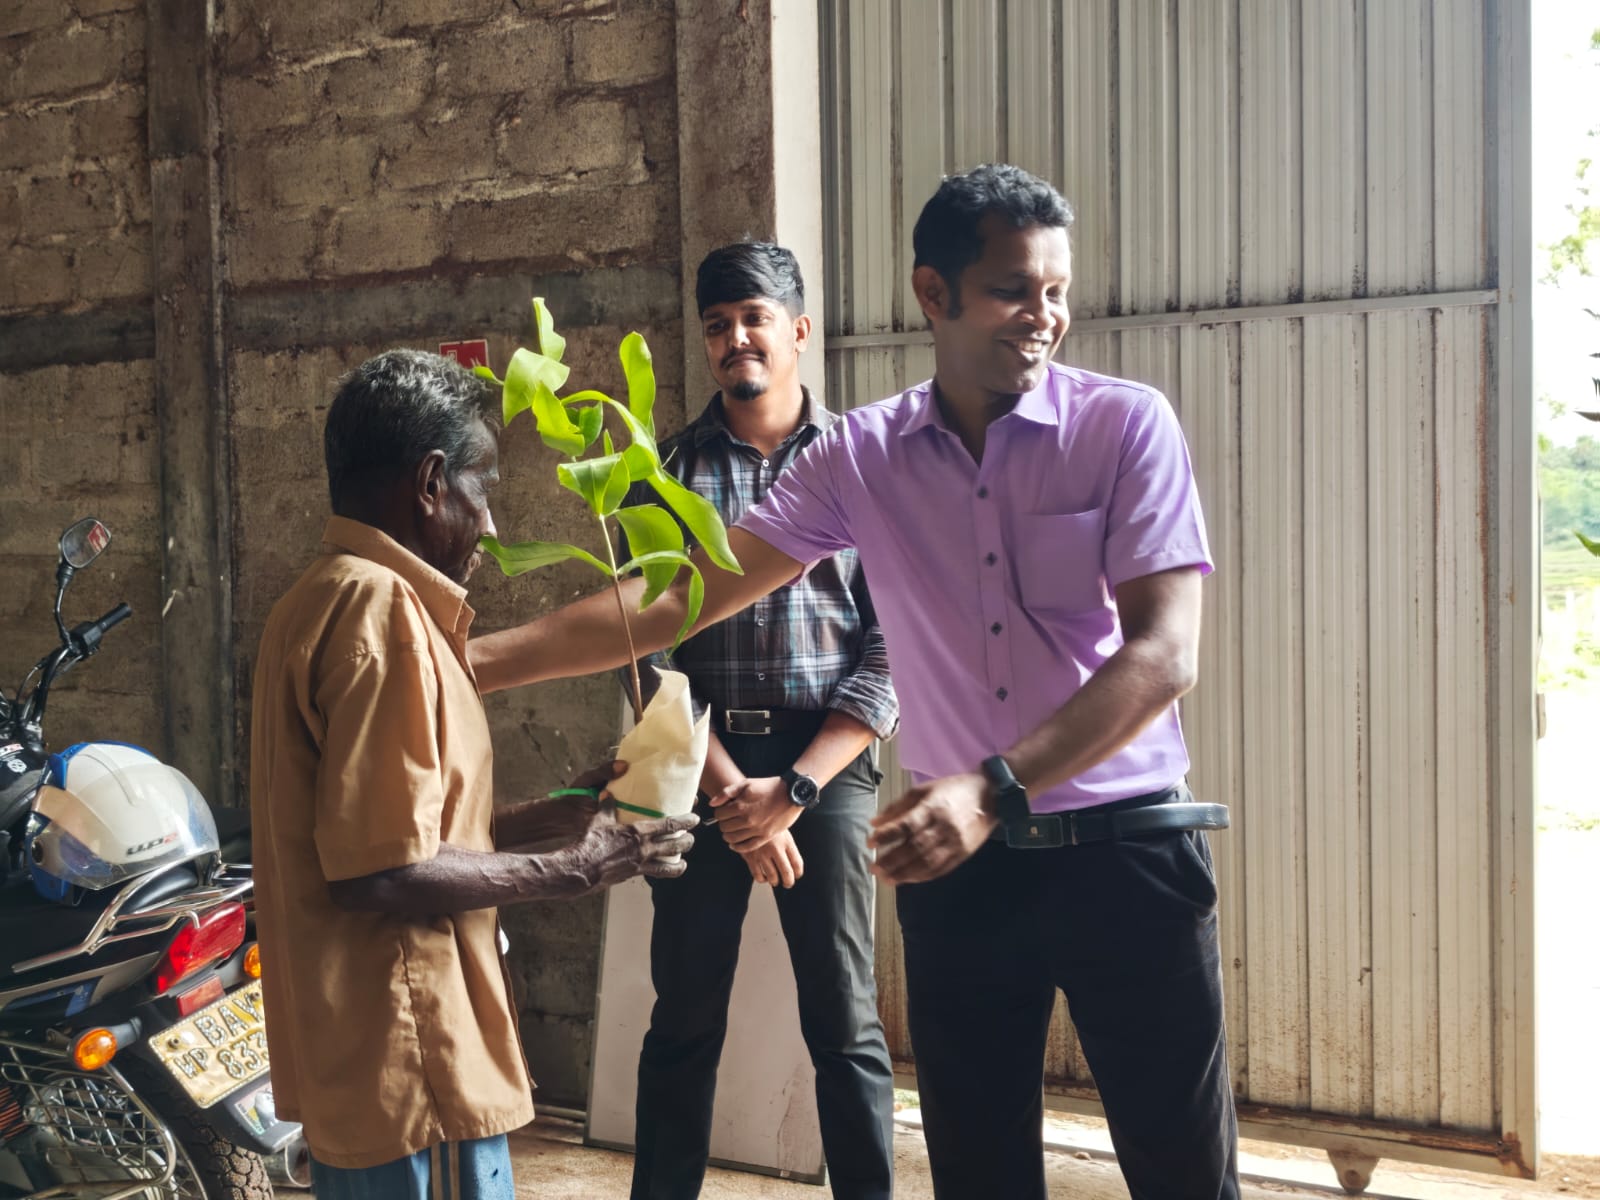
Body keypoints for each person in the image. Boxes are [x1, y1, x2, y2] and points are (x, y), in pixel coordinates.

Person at [472, 163, 1237, 1199]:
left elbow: (1162, 656)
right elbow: (672, 602)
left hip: (1128, 853)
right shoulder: (861, 459)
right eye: (1016, 289)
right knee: (977, 1173)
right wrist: (472, 660)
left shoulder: (1124, 426)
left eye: (1055, 290)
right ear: (935, 293)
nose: (1044, 316)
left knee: (1182, 1171)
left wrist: (984, 787)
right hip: (962, 879)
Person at [249, 349, 697, 1200]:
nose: (490, 525)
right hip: (418, 1058)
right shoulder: (383, 611)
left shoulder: (318, 597)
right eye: (481, 488)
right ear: (428, 482)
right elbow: (378, 873)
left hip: (374, 1063)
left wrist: (564, 810)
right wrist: (573, 870)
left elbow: (401, 830)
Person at [621, 243, 897, 1200]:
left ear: (798, 332)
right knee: (685, 1016)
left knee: (847, 1023)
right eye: (716, 324)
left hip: (825, 767)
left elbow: (894, 649)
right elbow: (639, 653)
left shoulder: (866, 466)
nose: (736, 337)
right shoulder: (661, 474)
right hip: (703, 768)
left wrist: (796, 790)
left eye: (754, 318)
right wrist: (730, 788)